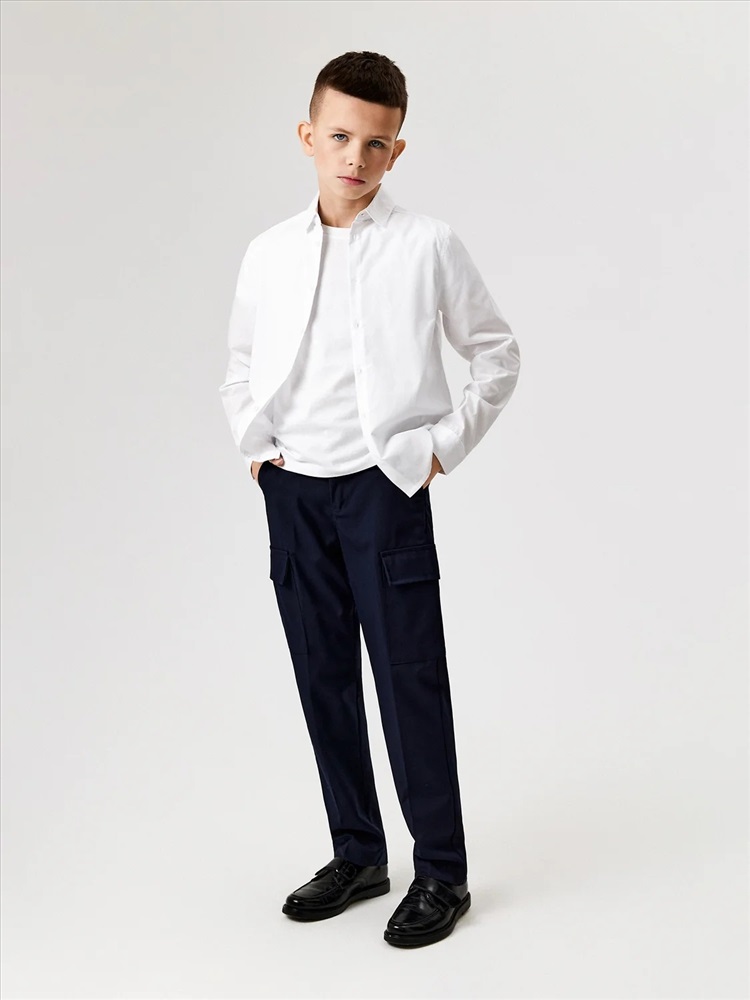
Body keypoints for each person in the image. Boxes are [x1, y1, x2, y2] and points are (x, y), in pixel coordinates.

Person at [218, 50, 520, 948]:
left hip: (385, 493)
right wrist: (258, 453)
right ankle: (357, 853)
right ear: (308, 136)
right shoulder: (269, 253)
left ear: (397, 151)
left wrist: (439, 450)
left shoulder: (426, 245)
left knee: (408, 678)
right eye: (340, 137)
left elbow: (497, 353)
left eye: (376, 143)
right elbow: (241, 363)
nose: (355, 156)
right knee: (323, 678)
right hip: (295, 494)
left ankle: (442, 872)